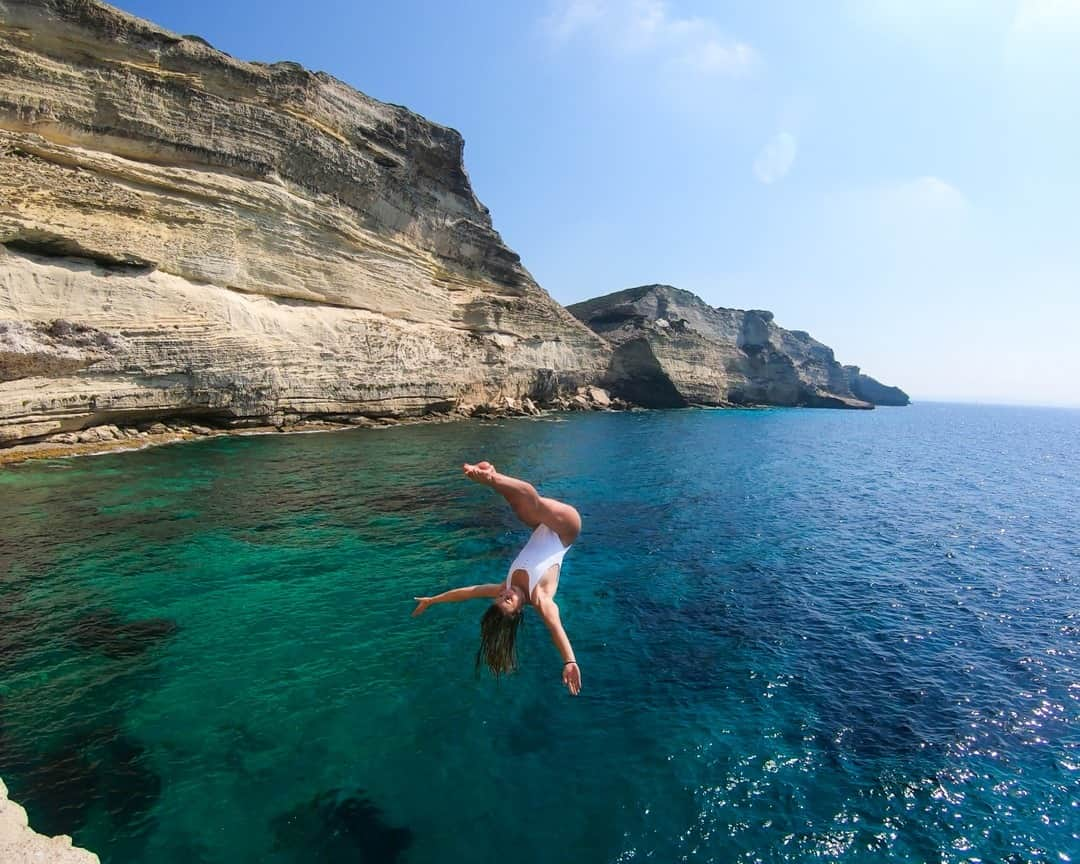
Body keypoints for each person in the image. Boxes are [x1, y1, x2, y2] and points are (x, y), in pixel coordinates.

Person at [411, 461, 583, 696]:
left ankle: (491, 476)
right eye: (508, 600)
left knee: (519, 505)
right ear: (519, 611)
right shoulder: (541, 599)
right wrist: (569, 661)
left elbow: (468, 592)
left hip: (542, 526)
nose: (505, 593)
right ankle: (491, 478)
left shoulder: (506, 586)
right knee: (531, 503)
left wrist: (433, 600)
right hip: (566, 529)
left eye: (501, 597)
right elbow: (556, 628)